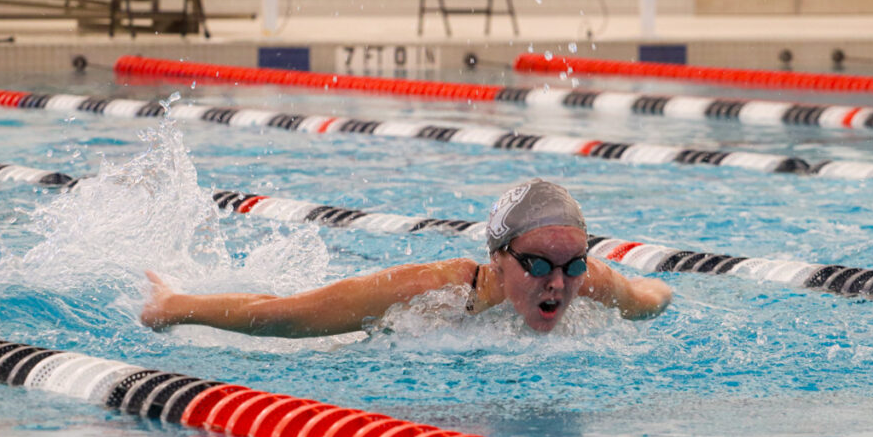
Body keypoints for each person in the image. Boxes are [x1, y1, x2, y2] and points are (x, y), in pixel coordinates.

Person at [140, 179, 672, 336]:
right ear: (497, 257)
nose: (559, 282)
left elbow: (653, 297)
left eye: (572, 265)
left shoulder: (591, 281)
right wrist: (175, 305)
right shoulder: (432, 292)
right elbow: (288, 314)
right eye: (537, 265)